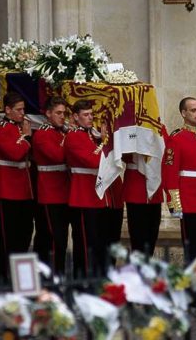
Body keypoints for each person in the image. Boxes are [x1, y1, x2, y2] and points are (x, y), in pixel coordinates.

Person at [64, 100, 116, 277]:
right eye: (85, 115)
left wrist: (102, 140)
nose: (89, 118)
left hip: (97, 196)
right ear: (75, 117)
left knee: (99, 241)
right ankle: (83, 279)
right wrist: (105, 142)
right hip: (83, 196)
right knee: (85, 243)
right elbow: (94, 161)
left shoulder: (90, 135)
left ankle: (97, 276)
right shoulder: (74, 136)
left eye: (91, 115)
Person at [163, 97, 196, 263]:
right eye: (193, 110)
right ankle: (192, 288)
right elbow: (170, 173)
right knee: (193, 251)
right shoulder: (176, 138)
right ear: (183, 113)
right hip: (189, 202)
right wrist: (175, 205)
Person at [0, 92, 34, 284]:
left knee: (24, 233)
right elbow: (15, 153)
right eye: (18, 110)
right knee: (7, 237)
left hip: (22, 189)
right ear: (7, 110)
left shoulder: (18, 127)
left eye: (23, 109)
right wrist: (27, 137)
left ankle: (20, 275)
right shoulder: (1, 129)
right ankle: (4, 274)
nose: (22, 114)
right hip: (5, 189)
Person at [31, 96, 70, 274]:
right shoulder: (42, 134)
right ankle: (54, 275)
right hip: (50, 192)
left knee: (61, 236)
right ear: (48, 114)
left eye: (64, 113)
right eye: (58, 113)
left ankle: (57, 273)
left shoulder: (63, 132)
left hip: (65, 191)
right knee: (55, 238)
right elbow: (58, 156)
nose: (62, 117)